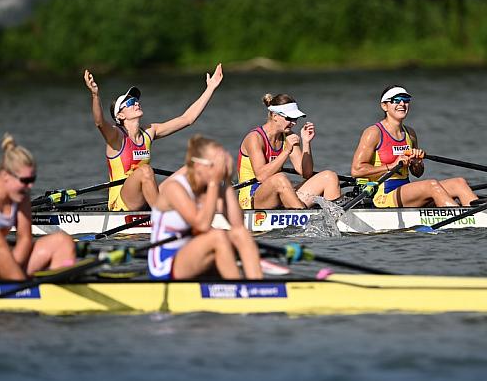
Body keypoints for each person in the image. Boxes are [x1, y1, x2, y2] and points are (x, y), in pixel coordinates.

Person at [83, 63, 224, 211]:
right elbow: (99, 122)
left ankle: (209, 208)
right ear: (120, 115)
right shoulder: (116, 136)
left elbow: (187, 119)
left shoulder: (149, 132)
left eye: (136, 101)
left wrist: (210, 88)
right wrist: (95, 95)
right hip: (122, 202)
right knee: (146, 170)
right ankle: (161, 214)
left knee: (195, 166)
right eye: (130, 102)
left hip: (146, 196)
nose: (136, 104)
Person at [148, 135, 262, 280]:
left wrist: (226, 181)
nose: (218, 170)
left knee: (241, 233)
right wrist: (215, 183)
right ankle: (238, 289)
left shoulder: (210, 186)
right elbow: (202, 225)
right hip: (165, 263)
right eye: (214, 165)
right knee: (218, 236)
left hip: (193, 251)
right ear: (198, 166)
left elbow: (238, 223)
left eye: (221, 164)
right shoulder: (174, 187)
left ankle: (257, 286)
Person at [350, 85, 478, 207]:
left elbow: (417, 174)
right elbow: (356, 170)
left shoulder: (410, 134)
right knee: (431, 185)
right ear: (384, 106)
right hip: (383, 194)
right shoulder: (373, 132)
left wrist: (417, 162)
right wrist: (392, 166)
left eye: (406, 100)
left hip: (405, 190)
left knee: (459, 183)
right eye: (396, 100)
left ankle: (481, 216)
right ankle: (461, 217)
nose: (402, 104)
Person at [236, 93, 340, 209]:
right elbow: (261, 176)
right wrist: (286, 151)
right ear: (275, 116)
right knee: (280, 178)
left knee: (329, 177)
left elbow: (306, 173)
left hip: (279, 193)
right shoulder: (254, 138)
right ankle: (302, 214)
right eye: (289, 118)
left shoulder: (288, 136)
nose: (294, 123)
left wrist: (306, 142)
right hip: (251, 199)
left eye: (295, 118)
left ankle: (336, 216)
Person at [0, 134, 75, 280]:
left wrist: (14, 267)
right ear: (5, 176)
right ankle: (19, 284)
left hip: (5, 258)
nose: (30, 186)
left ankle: (55, 287)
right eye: (25, 180)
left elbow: (25, 239)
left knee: (62, 241)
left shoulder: (21, 196)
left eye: (32, 179)